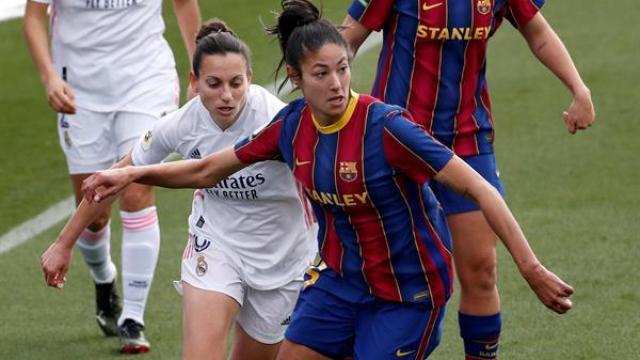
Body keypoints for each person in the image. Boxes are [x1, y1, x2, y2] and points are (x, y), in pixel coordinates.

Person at [76, 1, 573, 358]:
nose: (336, 84)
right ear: (295, 77)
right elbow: (208, 168)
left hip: (406, 294)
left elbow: (479, 188)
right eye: (321, 73)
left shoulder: (388, 128)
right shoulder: (289, 127)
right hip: (338, 287)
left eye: (342, 69)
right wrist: (134, 172)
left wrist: (529, 267)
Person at [40, 18, 318, 360]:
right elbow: (113, 178)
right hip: (217, 247)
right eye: (214, 84)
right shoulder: (183, 123)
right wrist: (63, 243)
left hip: (283, 257)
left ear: (250, 79)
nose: (226, 96)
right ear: (194, 82)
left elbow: (317, 182)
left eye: (236, 83)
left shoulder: (276, 119)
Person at [340, 0, 595, 358]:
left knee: (481, 269)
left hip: (468, 139)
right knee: (384, 271)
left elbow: (537, 32)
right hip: (397, 140)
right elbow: (346, 42)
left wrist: (578, 89)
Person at [24, 0, 200, 353]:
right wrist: (48, 76)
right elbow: (33, 15)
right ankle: (104, 279)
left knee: (136, 190)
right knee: (93, 209)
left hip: (146, 80)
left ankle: (132, 318)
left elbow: (183, 4)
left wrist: (199, 68)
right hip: (79, 90)